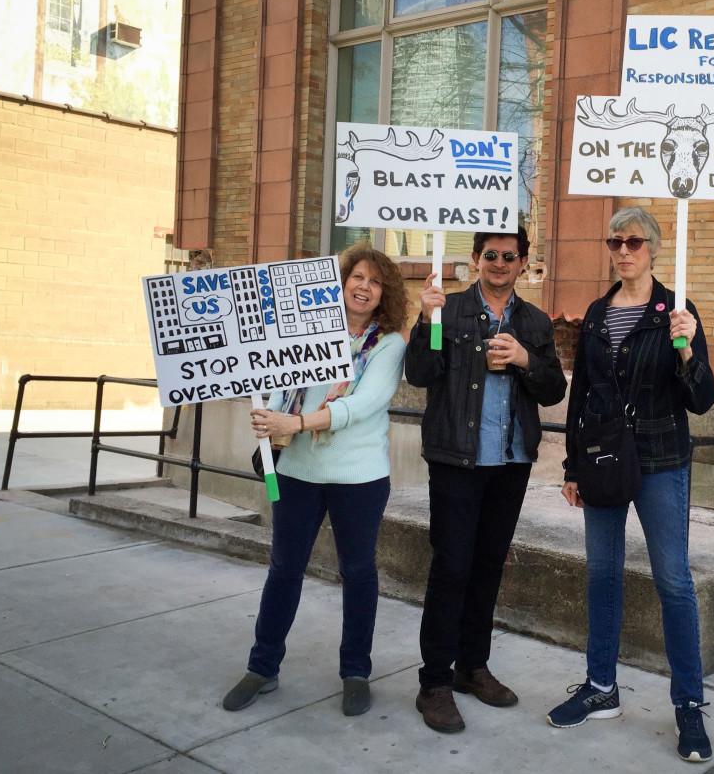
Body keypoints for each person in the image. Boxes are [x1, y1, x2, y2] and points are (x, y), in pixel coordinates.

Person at [546, 206, 714, 763]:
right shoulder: (597, 313)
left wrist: (687, 347)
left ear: (654, 249)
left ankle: (688, 705)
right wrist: (572, 467)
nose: (623, 251)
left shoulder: (677, 311)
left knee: (673, 580)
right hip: (603, 460)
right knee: (601, 573)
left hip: (662, 461)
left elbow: (703, 400)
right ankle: (601, 688)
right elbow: (584, 396)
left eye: (634, 242)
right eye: (614, 241)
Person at [221, 245, 408, 717]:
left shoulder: (389, 344)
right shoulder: (304, 332)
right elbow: (282, 387)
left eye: (375, 281)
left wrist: (297, 425)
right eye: (356, 277)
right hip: (297, 472)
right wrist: (269, 413)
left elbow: (362, 406)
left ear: (384, 293)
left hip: (360, 479)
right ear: (340, 283)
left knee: (358, 573)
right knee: (284, 569)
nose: (364, 286)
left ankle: (355, 671)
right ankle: (262, 667)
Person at [405, 226, 567, 733]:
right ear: (475, 259)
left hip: (511, 459)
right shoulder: (447, 311)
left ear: (523, 264)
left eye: (509, 256)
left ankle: (472, 667)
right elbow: (421, 373)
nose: (499, 262)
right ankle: (433, 682)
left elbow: (552, 388)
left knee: (488, 566)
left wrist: (523, 359)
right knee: (451, 567)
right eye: (490, 254)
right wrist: (423, 319)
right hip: (457, 458)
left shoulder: (535, 321)